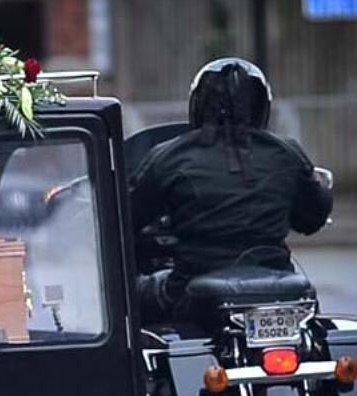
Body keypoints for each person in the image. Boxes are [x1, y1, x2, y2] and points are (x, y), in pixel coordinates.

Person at [131, 58, 333, 324]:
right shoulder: (286, 153)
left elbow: (127, 217)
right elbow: (311, 219)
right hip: (279, 285)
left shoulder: (170, 156)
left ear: (198, 104)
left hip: (188, 290)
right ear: (262, 105)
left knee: (132, 297)